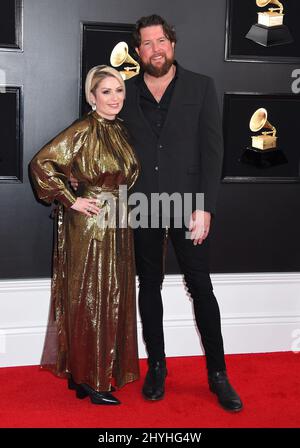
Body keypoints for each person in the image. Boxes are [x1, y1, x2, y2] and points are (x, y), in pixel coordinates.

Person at [120, 14, 243, 412]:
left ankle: (218, 374)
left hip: (189, 204)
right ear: (138, 51)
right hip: (143, 205)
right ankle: (157, 366)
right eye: (147, 44)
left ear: (172, 44)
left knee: (201, 288)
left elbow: (213, 151)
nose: (155, 49)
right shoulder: (124, 92)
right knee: (149, 286)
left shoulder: (201, 86)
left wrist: (205, 206)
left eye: (161, 41)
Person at [30, 65, 140, 405]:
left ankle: (83, 374)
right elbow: (42, 163)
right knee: (91, 297)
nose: (114, 98)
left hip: (118, 221)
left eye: (119, 90)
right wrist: (71, 199)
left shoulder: (119, 129)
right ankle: (91, 379)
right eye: (106, 91)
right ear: (92, 97)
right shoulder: (84, 129)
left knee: (112, 295)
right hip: (91, 226)